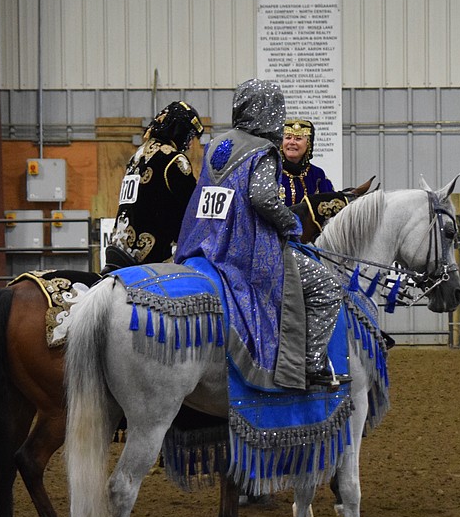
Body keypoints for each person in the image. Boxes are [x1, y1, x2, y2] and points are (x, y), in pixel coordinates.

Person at [174, 79, 343, 390]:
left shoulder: (216, 146)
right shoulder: (262, 150)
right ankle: (310, 366)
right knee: (326, 288)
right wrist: (290, 225)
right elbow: (262, 197)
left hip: (204, 245)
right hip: (244, 250)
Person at [102, 101, 204, 272]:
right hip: (153, 256)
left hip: (120, 248)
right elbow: (193, 208)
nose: (189, 144)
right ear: (178, 130)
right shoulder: (174, 159)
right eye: (188, 136)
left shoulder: (137, 155)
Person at [279, 118, 335, 207]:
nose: (292, 142)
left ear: (308, 144)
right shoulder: (272, 172)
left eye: (298, 138)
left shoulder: (317, 175)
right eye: (288, 137)